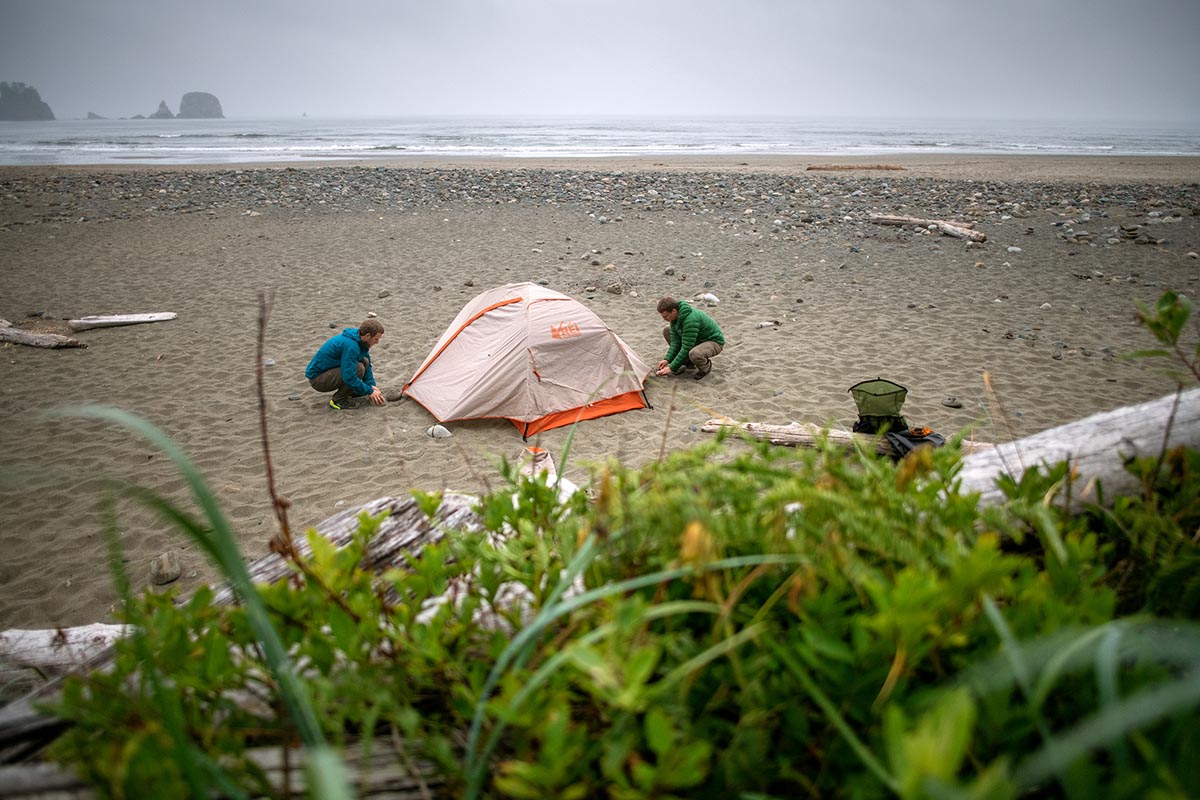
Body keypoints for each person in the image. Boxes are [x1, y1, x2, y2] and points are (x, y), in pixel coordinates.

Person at [305, 319, 386, 409]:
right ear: (368, 336)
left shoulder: (360, 340)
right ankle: (338, 401)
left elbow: (368, 365)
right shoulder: (351, 346)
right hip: (318, 379)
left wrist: (371, 387)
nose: (377, 342)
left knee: (364, 361)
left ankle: (350, 392)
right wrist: (370, 391)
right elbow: (349, 377)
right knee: (358, 368)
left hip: (330, 371)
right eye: (376, 339)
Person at [656, 296, 725, 380]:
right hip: (696, 340)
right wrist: (667, 359)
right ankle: (688, 363)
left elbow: (686, 347)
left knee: (695, 353)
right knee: (667, 331)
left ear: (674, 311)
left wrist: (672, 367)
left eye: (665, 316)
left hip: (714, 342)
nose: (664, 319)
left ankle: (706, 368)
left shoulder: (690, 320)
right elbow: (675, 343)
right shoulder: (674, 319)